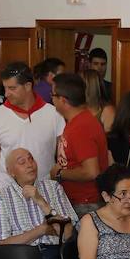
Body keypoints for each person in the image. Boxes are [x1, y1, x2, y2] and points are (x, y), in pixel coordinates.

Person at [0, 148, 74, 259]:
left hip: (59, 252)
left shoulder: (53, 188)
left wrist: (41, 201)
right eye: (22, 162)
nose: (29, 165)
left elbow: (67, 233)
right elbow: (0, 244)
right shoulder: (1, 197)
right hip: (25, 257)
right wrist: (41, 230)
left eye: (31, 159)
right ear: (11, 172)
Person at [0, 62, 64, 211]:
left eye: (12, 88)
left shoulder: (54, 114)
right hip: (7, 190)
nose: (6, 94)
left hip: (44, 191)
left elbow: (62, 155)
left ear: (27, 86)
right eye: (5, 88)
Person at [49, 72, 109, 217]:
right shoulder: (78, 121)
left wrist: (59, 173)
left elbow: (91, 172)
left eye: (53, 95)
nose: (51, 99)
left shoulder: (81, 127)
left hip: (85, 203)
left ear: (63, 100)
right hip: (80, 201)